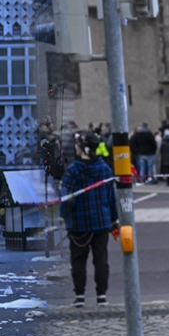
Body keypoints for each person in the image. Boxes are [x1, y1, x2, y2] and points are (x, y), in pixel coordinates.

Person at [60, 132, 119, 308]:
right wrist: (113, 219)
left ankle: (80, 295)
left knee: (78, 260)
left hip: (79, 224)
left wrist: (65, 217)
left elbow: (67, 198)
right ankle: (102, 295)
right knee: (101, 259)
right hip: (101, 221)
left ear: (83, 148)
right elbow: (111, 197)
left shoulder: (73, 170)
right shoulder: (105, 169)